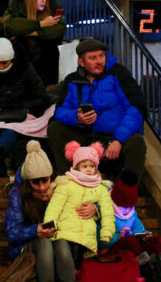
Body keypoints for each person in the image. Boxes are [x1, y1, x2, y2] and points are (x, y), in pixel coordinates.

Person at [5, 140, 97, 282]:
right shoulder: (17, 195)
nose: (41, 186)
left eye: (45, 180)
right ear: (27, 181)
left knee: (61, 242)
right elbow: (12, 232)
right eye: (35, 182)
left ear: (51, 176)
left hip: (61, 239)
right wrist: (36, 230)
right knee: (45, 243)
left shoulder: (63, 188)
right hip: (29, 245)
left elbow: (91, 203)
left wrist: (95, 210)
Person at [49, 38, 148, 181]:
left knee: (137, 141)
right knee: (55, 128)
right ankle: (68, 181)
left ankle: (125, 193)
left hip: (114, 137)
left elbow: (137, 109)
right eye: (93, 58)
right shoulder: (72, 80)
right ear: (81, 62)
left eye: (101, 56)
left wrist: (118, 140)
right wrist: (76, 118)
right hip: (86, 136)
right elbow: (59, 111)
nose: (99, 61)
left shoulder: (119, 74)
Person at [43, 141, 116, 282]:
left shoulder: (100, 189)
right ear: (76, 166)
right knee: (64, 249)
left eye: (92, 166)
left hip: (86, 236)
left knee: (76, 254)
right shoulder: (66, 184)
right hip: (65, 231)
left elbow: (108, 212)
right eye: (84, 166)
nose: (89, 169)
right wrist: (49, 225)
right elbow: (54, 207)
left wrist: (107, 232)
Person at [0, 37, 51, 176]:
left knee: (11, 131)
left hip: (20, 115)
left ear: (13, 58)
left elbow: (41, 97)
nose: (1, 66)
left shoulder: (25, 68)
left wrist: (23, 107)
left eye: (5, 63)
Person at [98, 170, 161, 282]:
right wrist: (119, 237)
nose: (127, 211)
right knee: (129, 239)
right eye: (124, 207)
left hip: (131, 246)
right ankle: (148, 276)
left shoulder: (132, 214)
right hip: (111, 249)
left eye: (130, 207)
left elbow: (139, 230)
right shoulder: (104, 210)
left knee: (155, 240)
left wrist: (144, 236)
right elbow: (99, 238)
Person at [3, 0, 65, 87]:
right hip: (26, 82)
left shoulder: (47, 13)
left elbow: (60, 28)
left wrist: (34, 33)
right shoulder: (17, 11)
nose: (43, 0)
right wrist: (40, 24)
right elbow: (11, 27)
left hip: (49, 79)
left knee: (49, 45)